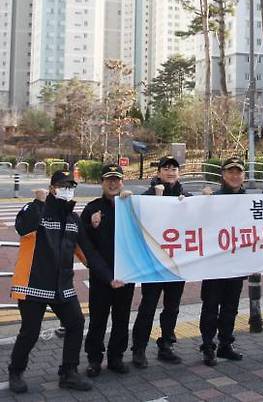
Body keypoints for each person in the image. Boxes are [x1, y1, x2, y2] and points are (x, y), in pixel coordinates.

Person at [7, 170, 122, 394]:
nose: (67, 190)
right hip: (32, 283)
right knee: (30, 332)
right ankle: (16, 371)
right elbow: (23, 227)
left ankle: (68, 372)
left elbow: (88, 253)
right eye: (62, 186)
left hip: (62, 285)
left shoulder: (72, 218)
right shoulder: (38, 209)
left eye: (71, 186)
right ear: (52, 188)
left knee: (76, 323)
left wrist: (109, 277)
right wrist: (38, 202)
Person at [130, 156, 190, 368]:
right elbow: (133, 212)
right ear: (158, 173)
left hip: (177, 263)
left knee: (172, 307)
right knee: (148, 306)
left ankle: (166, 345)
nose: (171, 171)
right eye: (166, 168)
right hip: (153, 263)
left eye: (174, 168)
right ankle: (138, 349)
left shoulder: (186, 197)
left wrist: (205, 200)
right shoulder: (147, 195)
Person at [81, 164, 135, 377]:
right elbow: (86, 247)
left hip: (127, 275)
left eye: (117, 179)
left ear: (122, 182)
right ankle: (94, 359)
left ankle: (116, 357)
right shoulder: (92, 209)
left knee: (122, 319)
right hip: (101, 278)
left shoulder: (132, 206)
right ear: (101, 183)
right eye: (108, 179)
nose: (113, 183)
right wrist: (107, 276)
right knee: (98, 320)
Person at [198, 157, 247, 366]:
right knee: (210, 306)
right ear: (222, 175)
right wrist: (203, 200)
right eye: (230, 172)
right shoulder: (212, 198)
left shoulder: (250, 202)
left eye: (238, 172)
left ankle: (226, 344)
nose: (234, 176)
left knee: (230, 307)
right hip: (214, 265)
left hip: (236, 264)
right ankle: (208, 346)